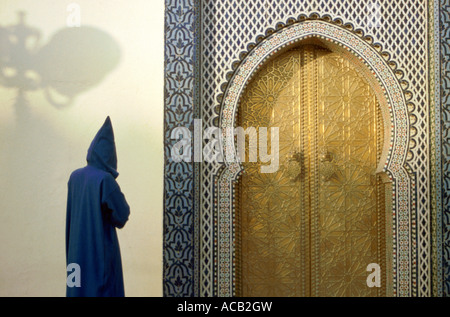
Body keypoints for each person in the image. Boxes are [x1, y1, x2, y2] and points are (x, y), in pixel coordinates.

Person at [66, 116, 130, 297]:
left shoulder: (74, 177)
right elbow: (122, 215)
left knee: (76, 290)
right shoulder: (104, 179)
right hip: (99, 262)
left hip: (75, 260)